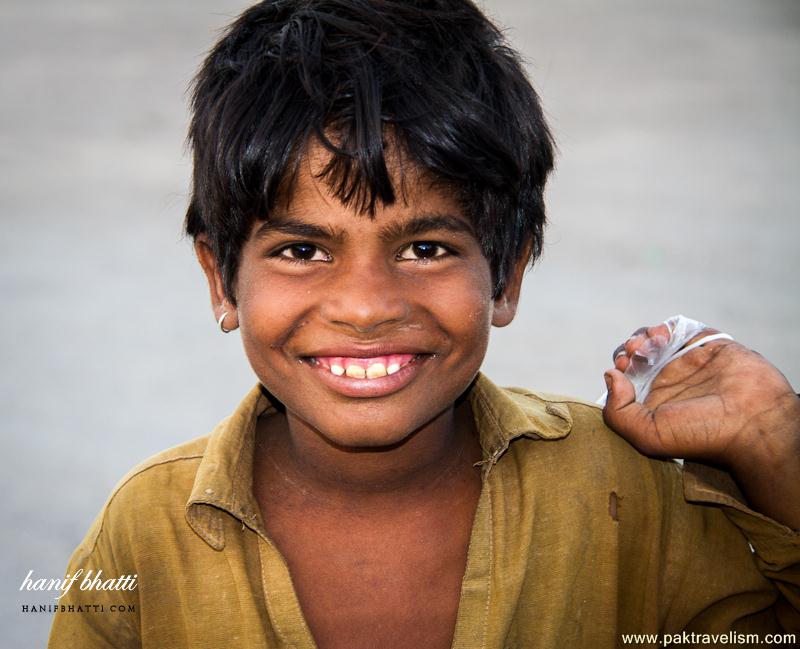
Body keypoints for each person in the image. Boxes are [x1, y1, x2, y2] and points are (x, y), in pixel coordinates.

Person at [48, 1, 799, 647]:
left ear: (506, 274)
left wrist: (777, 450)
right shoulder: (142, 534)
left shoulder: (630, 502)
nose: (367, 305)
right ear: (222, 280)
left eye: (426, 247)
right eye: (303, 249)